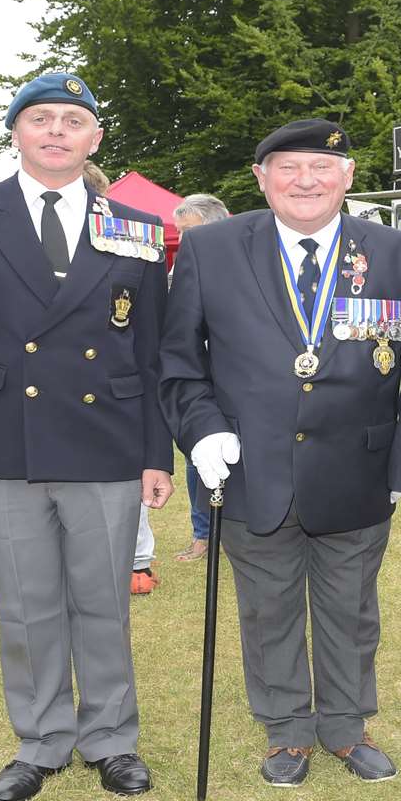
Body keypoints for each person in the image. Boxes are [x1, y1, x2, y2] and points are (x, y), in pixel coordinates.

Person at [160, 119, 401, 787]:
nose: (305, 180)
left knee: (351, 610)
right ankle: (286, 732)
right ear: (261, 179)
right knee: (267, 608)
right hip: (251, 467)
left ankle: (344, 727)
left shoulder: (398, 252)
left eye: (321, 167)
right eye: (287, 167)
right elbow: (177, 363)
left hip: (358, 468)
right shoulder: (213, 250)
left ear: (347, 177)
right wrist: (202, 431)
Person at [0, 71, 172, 801]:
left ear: (95, 138)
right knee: (26, 604)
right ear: (16, 133)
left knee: (104, 599)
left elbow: (154, 350)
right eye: (41, 119)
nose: (57, 131)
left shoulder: (136, 222)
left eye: (73, 120)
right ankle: (41, 741)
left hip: (107, 439)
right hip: (1, 441)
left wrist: (157, 452)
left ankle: (111, 739)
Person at [168, 192, 231, 564]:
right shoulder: (181, 268)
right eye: (180, 231)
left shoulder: (246, 262)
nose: (182, 238)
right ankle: (203, 534)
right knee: (197, 457)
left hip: (237, 375)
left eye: (188, 231)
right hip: (197, 376)